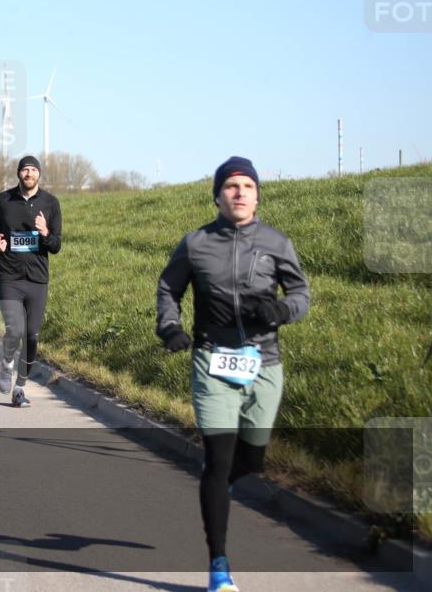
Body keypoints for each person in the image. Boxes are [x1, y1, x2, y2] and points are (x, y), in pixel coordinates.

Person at [156, 156, 310, 592]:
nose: (239, 192)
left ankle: (213, 489)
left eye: (247, 185)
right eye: (231, 186)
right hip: (213, 360)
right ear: (218, 195)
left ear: (257, 194)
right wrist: (169, 326)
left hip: (264, 363)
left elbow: (300, 293)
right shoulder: (196, 243)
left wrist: (282, 309)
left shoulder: (277, 242)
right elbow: (169, 287)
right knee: (219, 461)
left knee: (253, 460)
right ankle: (219, 565)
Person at [0, 155, 62, 408]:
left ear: (39, 174)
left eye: (33, 170)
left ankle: (20, 388)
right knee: (15, 329)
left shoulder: (51, 203)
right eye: (24, 170)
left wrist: (45, 232)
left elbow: (56, 246)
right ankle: (7, 364)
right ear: (18, 174)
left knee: (31, 336)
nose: (29, 174)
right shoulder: (3, 200)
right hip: (9, 275)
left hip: (37, 279)